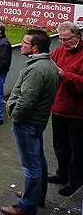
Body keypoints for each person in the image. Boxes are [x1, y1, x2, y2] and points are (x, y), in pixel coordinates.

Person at [1, 29, 59, 215]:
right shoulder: (48, 64)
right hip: (37, 121)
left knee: (31, 165)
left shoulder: (36, 68)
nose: (21, 45)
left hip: (28, 123)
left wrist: (15, 116)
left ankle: (26, 206)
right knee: (38, 160)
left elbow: (26, 100)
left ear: (34, 48)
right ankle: (36, 195)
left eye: (25, 43)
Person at [48, 22, 83, 197]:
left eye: (67, 40)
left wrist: (65, 76)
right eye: (61, 40)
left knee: (77, 150)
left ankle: (75, 182)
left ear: (78, 37)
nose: (64, 43)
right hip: (59, 108)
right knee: (60, 145)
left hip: (78, 112)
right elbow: (50, 63)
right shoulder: (60, 50)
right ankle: (62, 174)